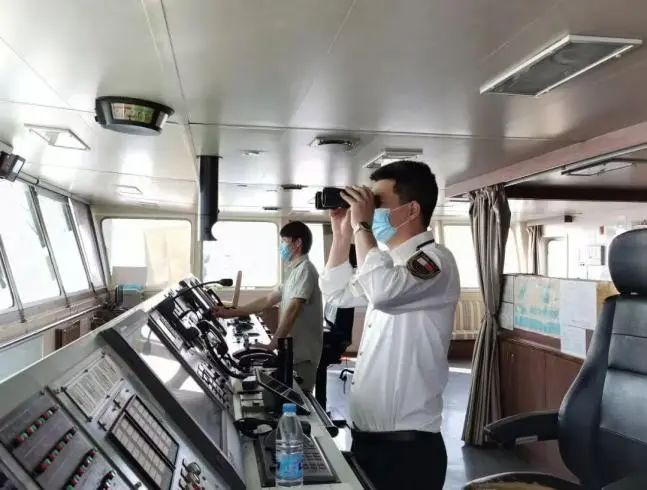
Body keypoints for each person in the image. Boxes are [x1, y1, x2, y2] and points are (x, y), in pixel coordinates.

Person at [319, 160, 460, 490]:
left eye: (377, 203)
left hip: (407, 452)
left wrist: (362, 227)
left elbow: (382, 293)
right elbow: (337, 294)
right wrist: (342, 236)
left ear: (412, 210)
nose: (370, 210)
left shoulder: (435, 260)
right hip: (369, 443)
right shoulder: (388, 265)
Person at [214, 221, 323, 392]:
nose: (281, 247)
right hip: (292, 353)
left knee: (300, 400)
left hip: (302, 356)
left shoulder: (306, 270)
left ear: (298, 243)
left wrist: (272, 344)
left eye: (284, 241)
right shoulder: (295, 272)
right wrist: (231, 313)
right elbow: (267, 300)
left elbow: (293, 310)